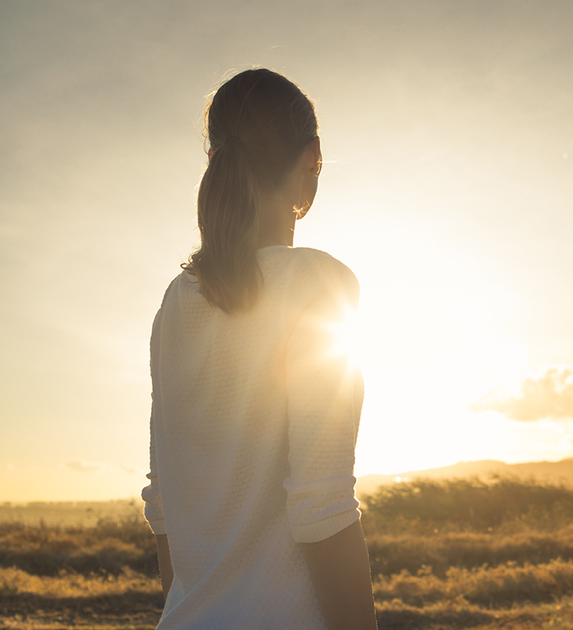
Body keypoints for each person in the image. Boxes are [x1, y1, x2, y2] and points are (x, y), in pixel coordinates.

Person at [140, 68, 378, 630]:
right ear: (311, 160)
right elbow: (322, 508)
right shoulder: (317, 283)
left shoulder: (175, 303)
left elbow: (165, 507)